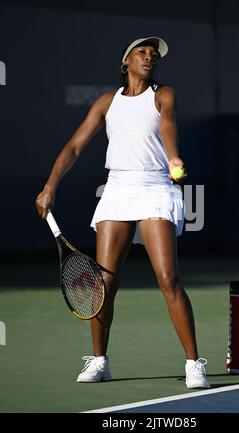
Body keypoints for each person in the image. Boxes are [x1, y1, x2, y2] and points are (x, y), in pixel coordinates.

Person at [35, 36, 210, 389]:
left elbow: (167, 126)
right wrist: (51, 184)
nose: (150, 58)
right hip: (117, 189)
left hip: (155, 186)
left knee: (167, 278)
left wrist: (173, 156)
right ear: (126, 61)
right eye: (142, 53)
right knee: (104, 284)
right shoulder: (106, 102)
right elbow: (74, 146)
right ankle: (100, 361)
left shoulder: (164, 95)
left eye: (154, 55)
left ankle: (193, 364)